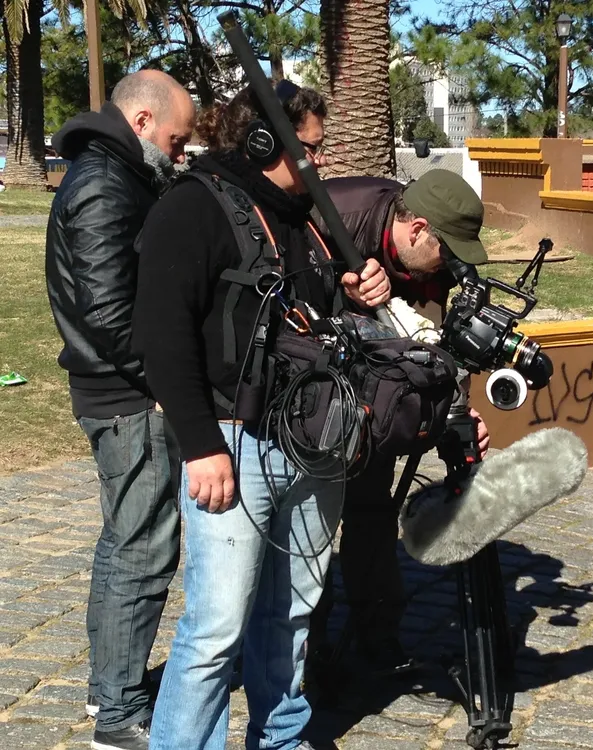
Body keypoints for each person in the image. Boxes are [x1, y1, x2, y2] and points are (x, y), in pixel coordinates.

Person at [131, 80, 389, 750]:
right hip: (232, 442)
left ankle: (281, 737)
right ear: (264, 142)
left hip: (312, 441)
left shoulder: (304, 218)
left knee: (293, 616)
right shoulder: (192, 209)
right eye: (309, 150)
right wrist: (199, 445)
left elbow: (315, 322)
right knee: (216, 629)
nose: (320, 163)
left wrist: (361, 293)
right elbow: (161, 337)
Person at [44, 70, 195, 750]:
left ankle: (112, 688)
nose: (181, 150)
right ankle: (118, 713)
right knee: (141, 550)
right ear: (141, 122)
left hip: (123, 389)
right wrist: (158, 379)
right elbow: (107, 311)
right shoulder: (105, 184)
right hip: (126, 397)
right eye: (176, 138)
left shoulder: (116, 173)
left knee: (129, 544)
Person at [306, 170, 490, 679]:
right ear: (417, 230)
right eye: (445, 252)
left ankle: (379, 636)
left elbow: (435, 350)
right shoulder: (332, 218)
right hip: (315, 387)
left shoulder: (433, 259)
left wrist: (458, 412)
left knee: (372, 512)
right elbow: (292, 303)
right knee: (311, 523)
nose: (449, 266)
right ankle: (308, 647)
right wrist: (345, 291)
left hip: (377, 395)